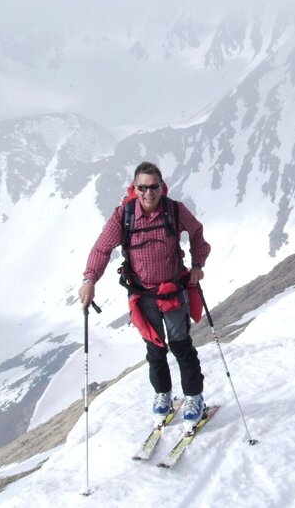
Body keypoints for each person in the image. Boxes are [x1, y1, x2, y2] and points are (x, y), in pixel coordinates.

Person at [79, 161, 211, 429]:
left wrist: (198, 265)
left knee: (181, 345)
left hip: (173, 290)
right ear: (134, 188)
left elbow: (196, 232)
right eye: (142, 187)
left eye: (153, 187)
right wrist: (89, 279)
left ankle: (194, 397)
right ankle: (163, 394)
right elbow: (102, 249)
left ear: (162, 187)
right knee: (155, 349)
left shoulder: (174, 210)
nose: (148, 193)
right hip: (143, 295)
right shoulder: (123, 216)